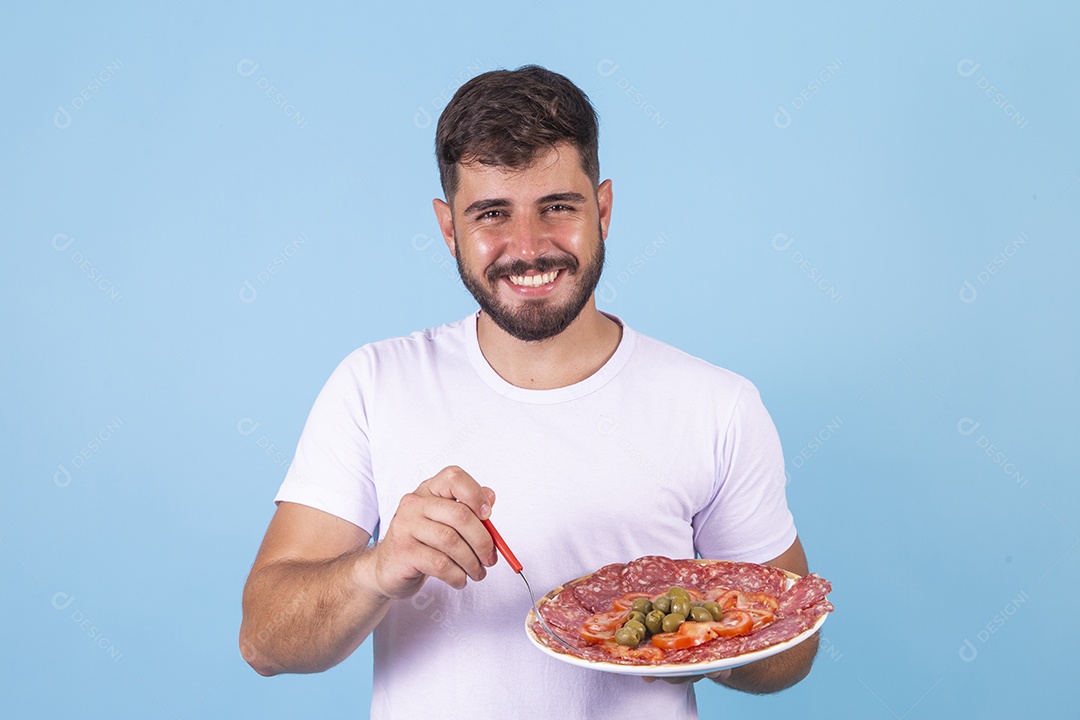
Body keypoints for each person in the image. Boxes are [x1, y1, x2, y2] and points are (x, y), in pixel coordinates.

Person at [239, 64, 818, 719]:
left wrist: (690, 632)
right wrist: (375, 569)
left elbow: (792, 653)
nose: (528, 247)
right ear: (448, 227)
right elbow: (263, 641)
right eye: (492, 213)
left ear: (601, 209)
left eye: (558, 208)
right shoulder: (373, 384)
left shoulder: (718, 406)